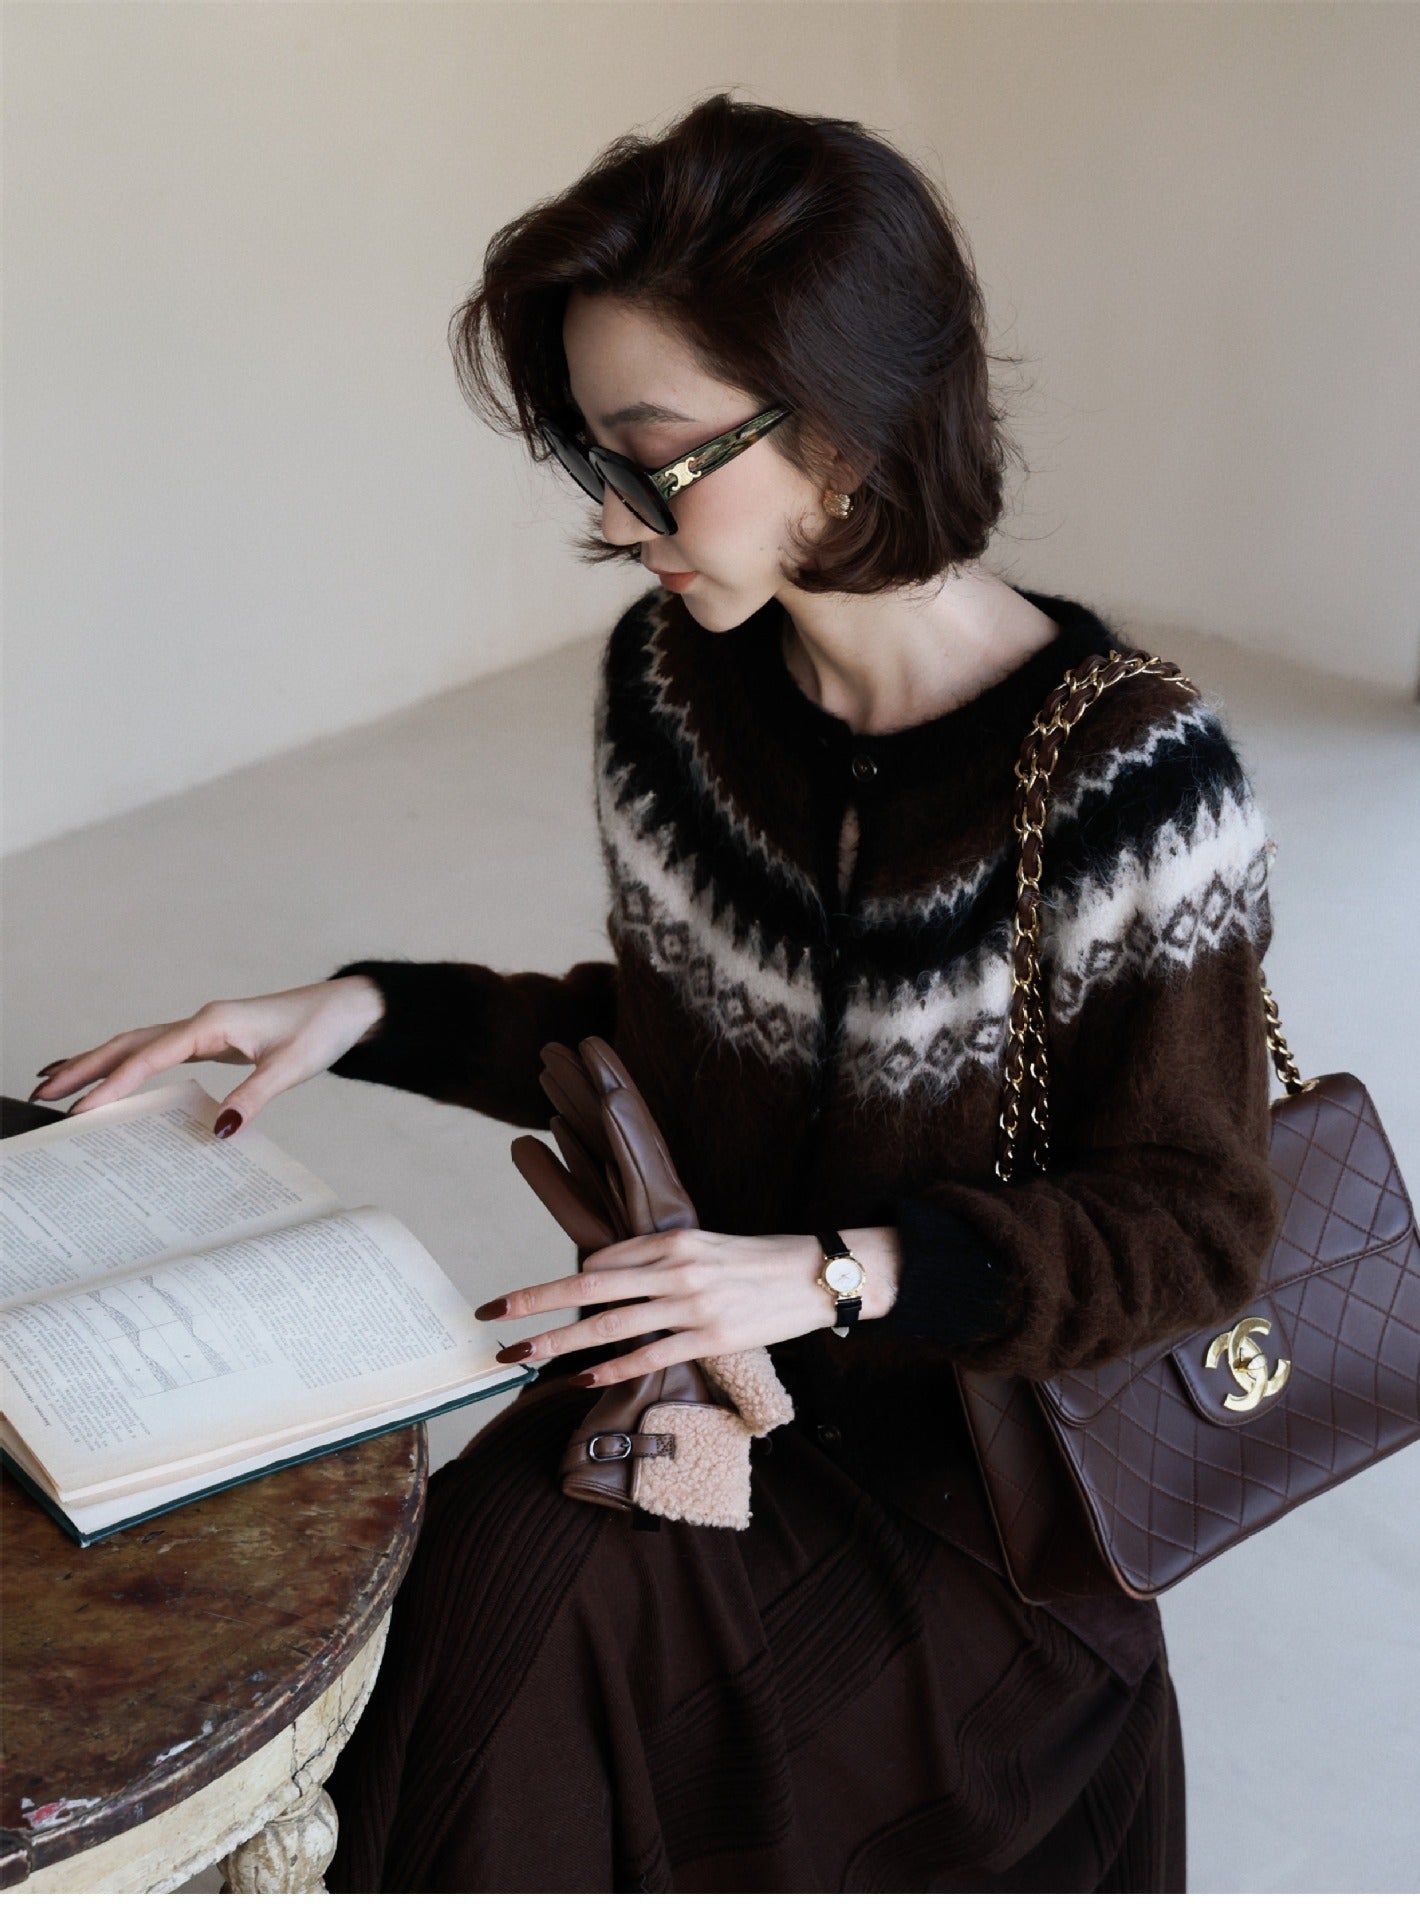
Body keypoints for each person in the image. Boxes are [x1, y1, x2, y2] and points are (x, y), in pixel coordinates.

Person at [24, 93, 1280, 1892]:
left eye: (661, 458)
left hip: (981, 1506)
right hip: (691, 1413)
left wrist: (838, 1272)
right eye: (592, 461)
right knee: (467, 1623)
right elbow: (697, 1036)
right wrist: (368, 1008)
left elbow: (1194, 1225)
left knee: (513, 1648)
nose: (621, 525)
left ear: (846, 434)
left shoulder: (1133, 779)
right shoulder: (675, 695)